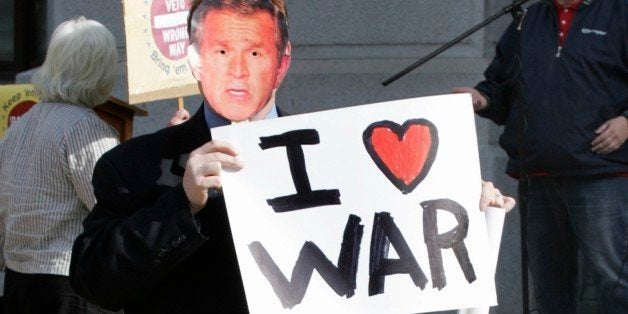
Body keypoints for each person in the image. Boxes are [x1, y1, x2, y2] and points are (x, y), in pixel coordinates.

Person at [69, 1, 515, 313]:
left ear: (282, 63)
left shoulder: (342, 154)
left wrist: (461, 209)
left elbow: (393, 277)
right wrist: (181, 206)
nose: (238, 70)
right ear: (195, 62)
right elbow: (96, 284)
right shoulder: (133, 166)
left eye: (256, 53)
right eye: (222, 52)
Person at [453, 0, 628, 313]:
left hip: (602, 175)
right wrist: (481, 98)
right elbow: (500, 87)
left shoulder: (620, 12)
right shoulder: (527, 19)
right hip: (538, 175)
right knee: (549, 289)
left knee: (615, 284)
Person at [0, 17, 120, 313]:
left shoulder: (20, 126)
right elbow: (115, 207)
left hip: (18, 279)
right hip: (69, 281)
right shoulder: (84, 128)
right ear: (99, 70)